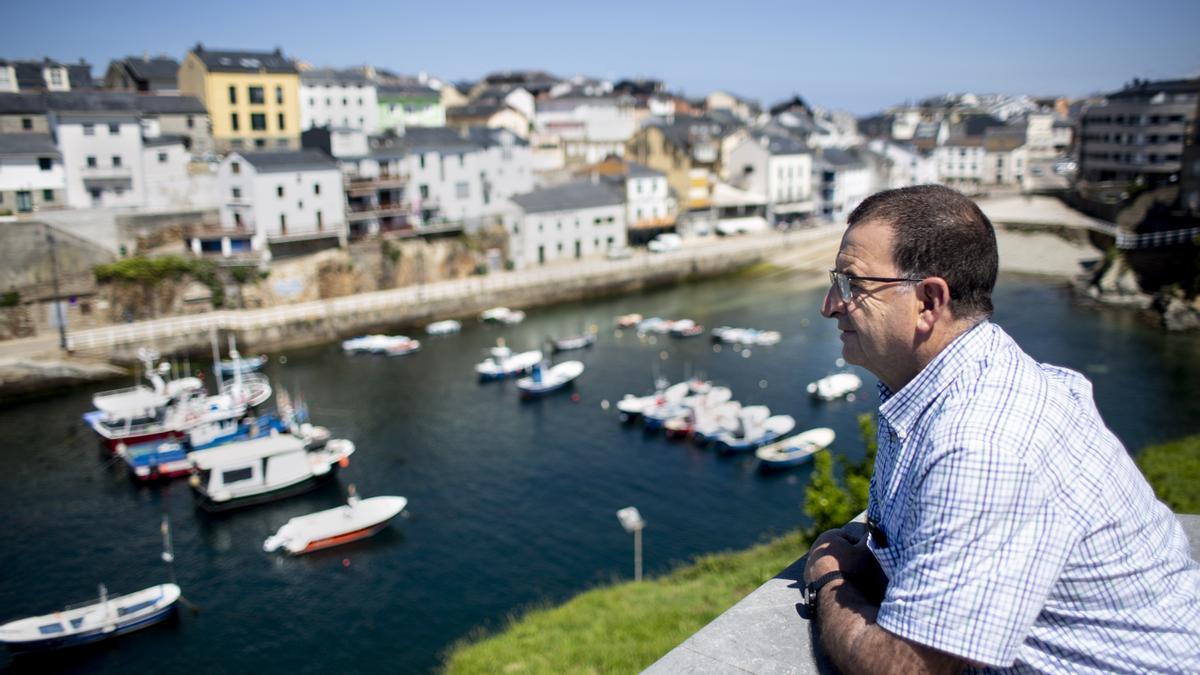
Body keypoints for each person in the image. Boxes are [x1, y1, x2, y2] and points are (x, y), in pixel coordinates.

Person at [804, 185, 1200, 673]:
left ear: (929, 301)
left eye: (852, 285)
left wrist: (829, 581)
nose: (830, 305)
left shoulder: (982, 444)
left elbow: (904, 668)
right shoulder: (964, 377)